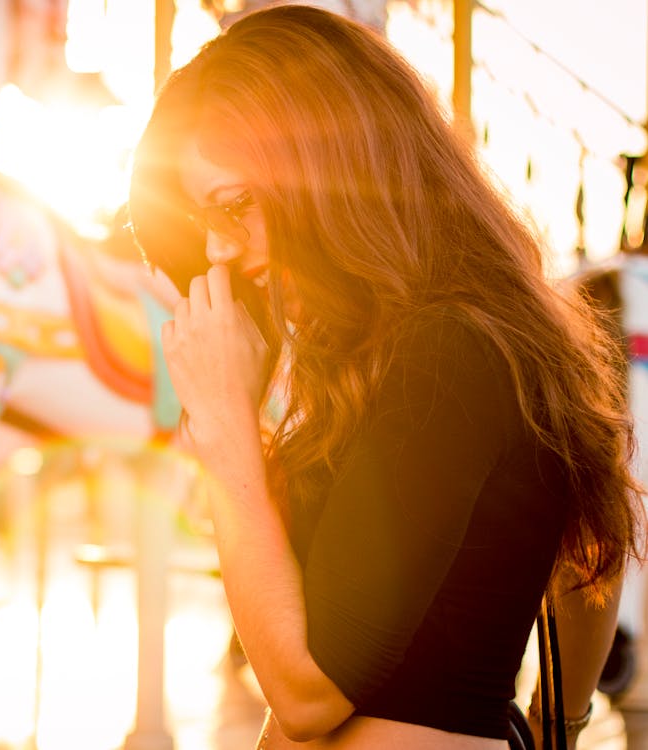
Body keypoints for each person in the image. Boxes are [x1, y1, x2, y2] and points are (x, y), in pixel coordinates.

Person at [126, 4, 644, 749]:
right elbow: (586, 550)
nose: (220, 251)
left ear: (332, 171)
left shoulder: (445, 349)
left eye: (236, 206)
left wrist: (227, 432)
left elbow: (307, 696)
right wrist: (555, 725)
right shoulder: (449, 339)